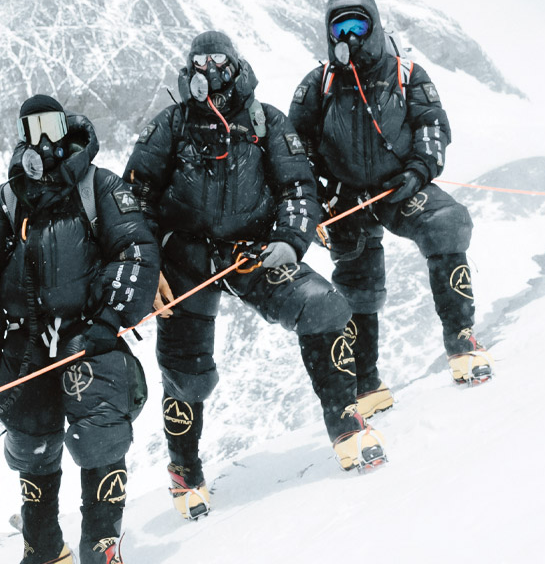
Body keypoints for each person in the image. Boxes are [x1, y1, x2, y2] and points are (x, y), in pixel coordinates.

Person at [123, 31, 387, 522]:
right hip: (183, 258)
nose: (208, 70)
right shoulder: (171, 124)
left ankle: (346, 422)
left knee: (324, 306)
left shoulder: (266, 120)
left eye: (217, 60)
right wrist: (146, 264)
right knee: (185, 372)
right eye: (199, 62)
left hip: (252, 253)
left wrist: (290, 239)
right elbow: (133, 199)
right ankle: (185, 471)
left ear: (234, 65)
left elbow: (298, 187)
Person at [0, 95, 158, 564]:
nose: (43, 139)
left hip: (90, 336)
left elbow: (136, 251)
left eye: (51, 125)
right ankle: (44, 548)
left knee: (99, 433)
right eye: (31, 129)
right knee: (31, 442)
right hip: (26, 342)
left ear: (68, 127)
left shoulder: (99, 186)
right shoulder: (8, 199)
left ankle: (101, 546)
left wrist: (109, 320)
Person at [288, 0, 494, 421]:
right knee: (358, 283)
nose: (349, 37)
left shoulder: (407, 74)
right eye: (339, 28)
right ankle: (367, 385)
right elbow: (294, 148)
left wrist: (417, 172)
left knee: (447, 223)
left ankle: (462, 342)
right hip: (345, 198)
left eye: (357, 25)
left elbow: (433, 127)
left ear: (375, 24)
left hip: (399, 189)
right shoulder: (317, 85)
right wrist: (317, 198)